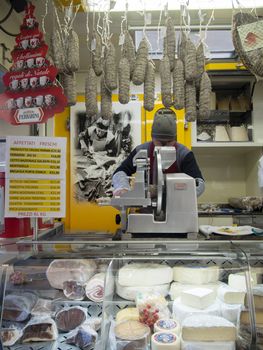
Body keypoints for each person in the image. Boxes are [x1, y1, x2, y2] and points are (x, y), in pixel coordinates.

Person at [112, 111, 205, 197]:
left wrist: (162, 190)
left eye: (169, 142)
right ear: (152, 137)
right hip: (146, 206)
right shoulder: (141, 151)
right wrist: (123, 187)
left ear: (175, 138)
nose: (164, 146)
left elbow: (199, 184)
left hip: (177, 206)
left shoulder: (184, 154)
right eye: (160, 142)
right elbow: (120, 171)